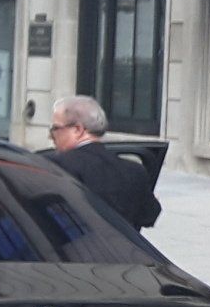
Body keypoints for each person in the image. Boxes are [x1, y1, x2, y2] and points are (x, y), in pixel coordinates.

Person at [44, 95, 162, 230]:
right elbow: (149, 216)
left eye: (55, 129)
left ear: (77, 129)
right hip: (120, 250)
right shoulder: (135, 170)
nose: (50, 136)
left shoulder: (54, 165)